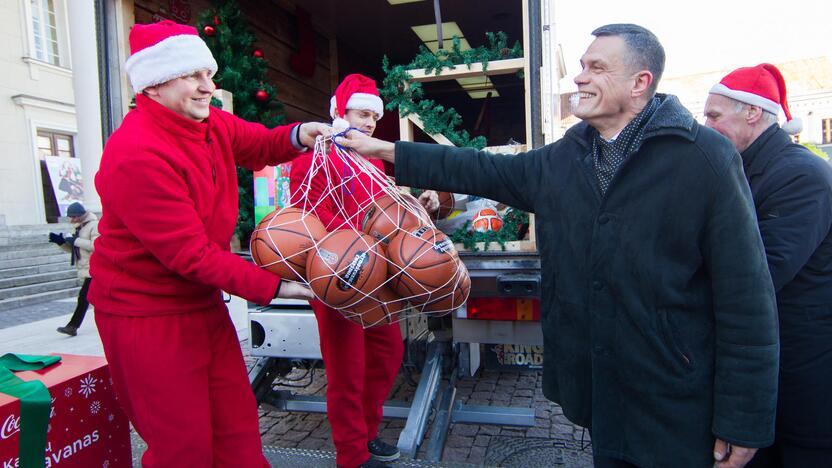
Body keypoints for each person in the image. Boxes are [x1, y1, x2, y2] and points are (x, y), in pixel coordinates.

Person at [339, 24, 780, 468]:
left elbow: (747, 301)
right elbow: (480, 169)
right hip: (600, 396)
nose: (580, 78)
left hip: (673, 400)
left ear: (640, 83)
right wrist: (383, 148)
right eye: (582, 66)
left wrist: (744, 420)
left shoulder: (704, 160)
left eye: (596, 68)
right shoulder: (566, 157)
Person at [88, 20, 330, 467]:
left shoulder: (209, 121)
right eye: (193, 75)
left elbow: (259, 143)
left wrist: (300, 135)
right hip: (145, 315)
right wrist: (276, 288)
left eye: (209, 73)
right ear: (154, 85)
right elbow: (189, 254)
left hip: (201, 304)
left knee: (236, 431)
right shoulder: (135, 153)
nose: (209, 86)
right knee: (184, 448)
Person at [289, 74, 437, 468]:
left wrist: (412, 205)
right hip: (337, 277)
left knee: (388, 353)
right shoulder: (313, 159)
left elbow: (380, 213)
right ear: (340, 112)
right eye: (361, 113)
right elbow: (310, 221)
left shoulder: (370, 161)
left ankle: (366, 434)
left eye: (374, 115)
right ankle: (351, 455)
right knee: (347, 370)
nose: (370, 122)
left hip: (375, 279)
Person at [704, 64, 832, 468]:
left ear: (753, 113)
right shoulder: (743, 168)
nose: (705, 125)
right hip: (766, 359)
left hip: (801, 366)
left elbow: (762, 273)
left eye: (714, 116)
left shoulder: (801, 175)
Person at [48, 201, 99, 336]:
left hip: (94, 268)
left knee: (83, 297)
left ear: (80, 216)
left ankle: (72, 326)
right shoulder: (79, 227)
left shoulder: (94, 225)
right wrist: (61, 242)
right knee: (95, 298)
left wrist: (74, 240)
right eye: (70, 217)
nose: (71, 220)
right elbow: (76, 249)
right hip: (86, 268)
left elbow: (96, 246)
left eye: (73, 217)